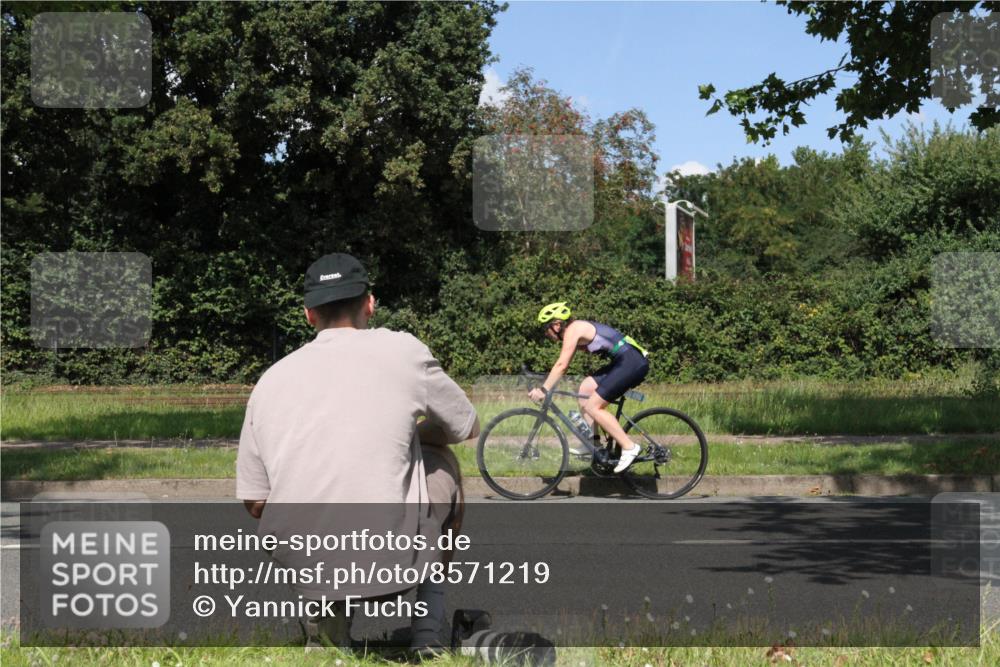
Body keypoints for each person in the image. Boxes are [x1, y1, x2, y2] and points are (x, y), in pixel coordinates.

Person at [236, 252, 479, 655]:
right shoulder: (404, 352)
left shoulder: (269, 381)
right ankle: (427, 636)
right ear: (370, 303)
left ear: (308, 315)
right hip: (391, 564)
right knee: (444, 467)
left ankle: (328, 633)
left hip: (307, 564)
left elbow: (256, 501)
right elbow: (465, 426)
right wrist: (415, 440)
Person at [528, 302, 649, 473]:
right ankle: (593, 444)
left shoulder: (573, 330)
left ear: (556, 325)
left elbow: (562, 365)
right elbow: (563, 366)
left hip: (631, 363)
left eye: (545, 328)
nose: (545, 333)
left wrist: (544, 389)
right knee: (585, 389)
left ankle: (629, 447)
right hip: (624, 361)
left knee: (593, 406)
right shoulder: (575, 330)